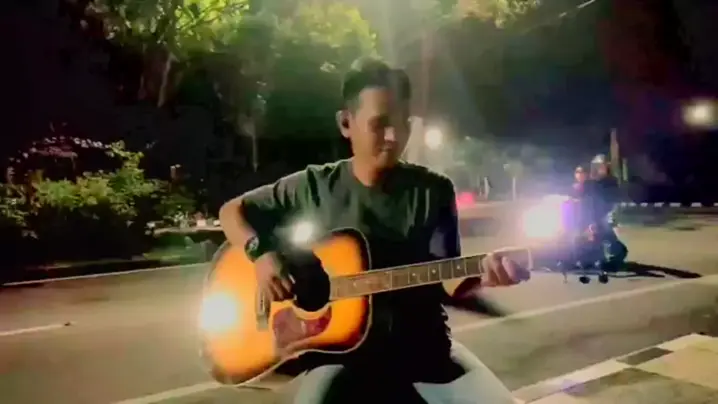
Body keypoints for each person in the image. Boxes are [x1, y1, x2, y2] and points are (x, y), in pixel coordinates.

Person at [219, 58, 530, 404]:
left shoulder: (433, 191)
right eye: (380, 124)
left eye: (402, 123)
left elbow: (447, 279)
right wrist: (260, 254)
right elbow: (231, 212)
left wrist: (483, 274)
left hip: (422, 353)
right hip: (339, 359)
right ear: (346, 123)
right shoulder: (314, 186)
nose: (394, 137)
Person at [585, 154, 628, 269]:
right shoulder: (592, 182)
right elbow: (590, 198)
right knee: (597, 236)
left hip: (606, 212)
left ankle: (616, 254)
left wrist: (611, 213)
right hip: (595, 212)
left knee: (605, 233)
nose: (599, 168)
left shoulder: (610, 181)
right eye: (597, 166)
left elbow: (614, 198)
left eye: (601, 166)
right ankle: (599, 258)